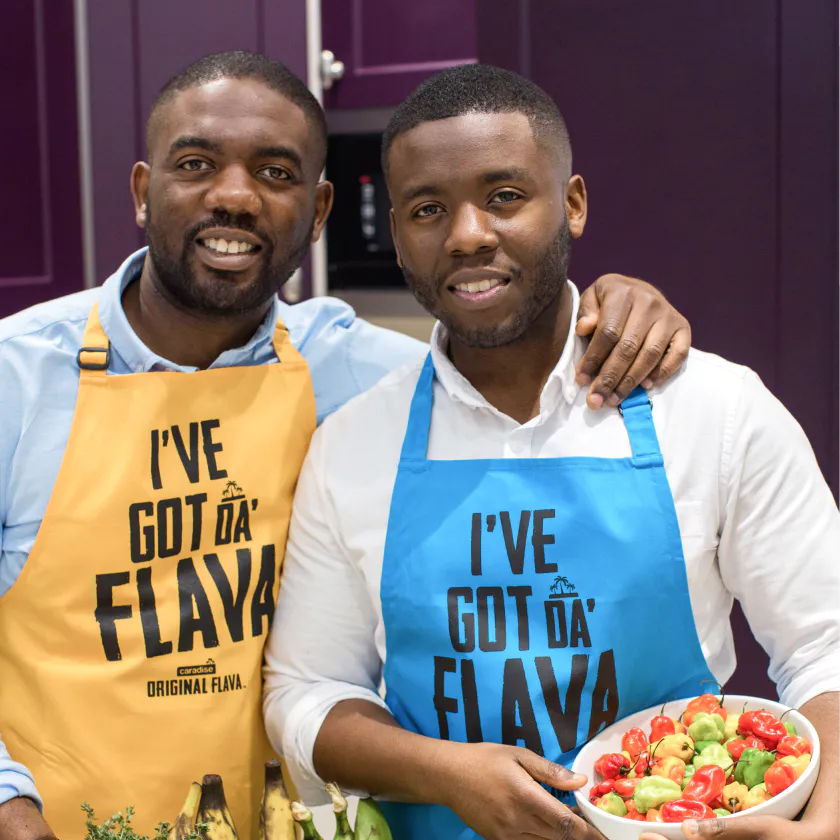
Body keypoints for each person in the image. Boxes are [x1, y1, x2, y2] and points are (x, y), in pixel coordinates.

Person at [0, 52, 691, 840]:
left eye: (275, 172)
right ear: (141, 190)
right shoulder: (17, 377)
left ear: (319, 208)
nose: (234, 196)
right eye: (195, 165)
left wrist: (617, 312)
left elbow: (504, 352)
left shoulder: (358, 372)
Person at [263, 64, 840, 840]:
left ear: (572, 204)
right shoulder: (354, 443)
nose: (468, 234)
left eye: (504, 196)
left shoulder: (716, 410)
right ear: (398, 236)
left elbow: (825, 644)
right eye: (429, 210)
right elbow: (306, 689)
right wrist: (444, 772)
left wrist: (827, 825)